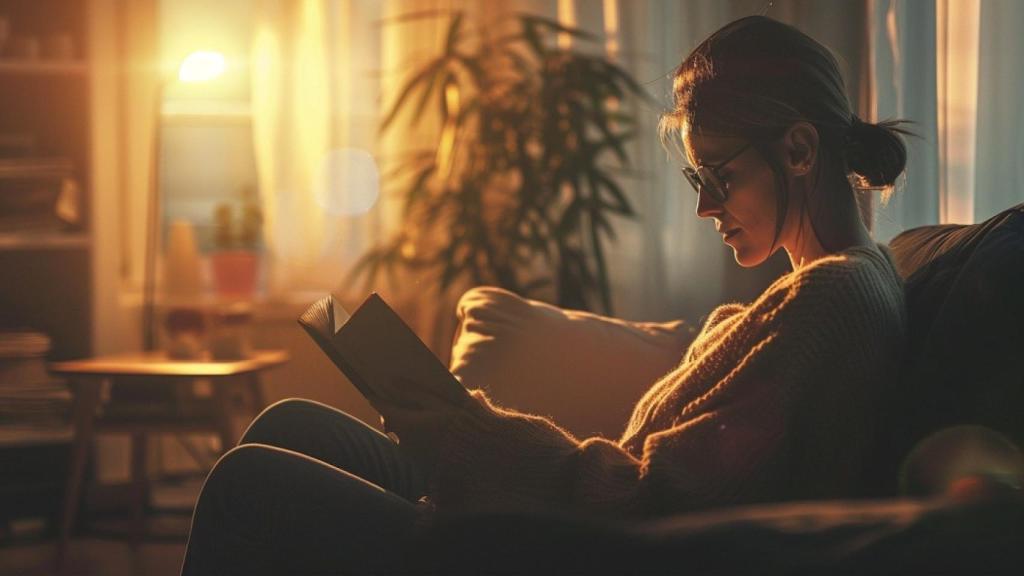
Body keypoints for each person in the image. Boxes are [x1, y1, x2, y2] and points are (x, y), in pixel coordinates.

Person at [181, 15, 910, 574]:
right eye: (697, 182)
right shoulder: (813, 295)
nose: (704, 208)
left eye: (717, 177)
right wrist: (456, 425)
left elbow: (650, 504)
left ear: (800, 149)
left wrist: (466, 430)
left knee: (250, 481)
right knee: (295, 421)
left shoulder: (831, 303)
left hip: (570, 551)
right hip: (560, 521)